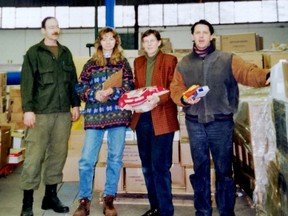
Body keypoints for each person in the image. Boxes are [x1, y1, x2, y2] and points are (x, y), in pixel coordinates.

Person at [170, 19, 270, 216]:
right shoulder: (184, 63)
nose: (201, 36)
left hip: (221, 123)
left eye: (205, 32)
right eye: (197, 32)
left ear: (211, 36)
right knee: (200, 171)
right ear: (192, 36)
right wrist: (183, 98)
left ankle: (226, 212)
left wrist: (267, 76)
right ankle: (203, 211)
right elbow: (176, 89)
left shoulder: (227, 59)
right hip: (195, 124)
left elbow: (248, 73)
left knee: (224, 171)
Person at [20, 16, 80, 216]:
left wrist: (75, 105)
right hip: (40, 114)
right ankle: (27, 204)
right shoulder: (34, 53)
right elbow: (27, 83)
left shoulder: (65, 52)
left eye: (57, 26)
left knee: (58, 155)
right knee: (34, 158)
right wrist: (28, 109)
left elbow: (72, 82)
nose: (55, 29)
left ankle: (50, 197)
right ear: (43, 31)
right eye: (51, 27)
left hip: (63, 114)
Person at [72, 27, 134, 216]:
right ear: (99, 42)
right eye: (104, 39)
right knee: (86, 161)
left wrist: (113, 92)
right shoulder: (90, 64)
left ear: (116, 42)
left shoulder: (123, 63)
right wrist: (94, 94)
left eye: (111, 39)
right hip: (95, 116)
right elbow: (80, 86)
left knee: (114, 159)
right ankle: (84, 201)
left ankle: (108, 198)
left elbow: (130, 85)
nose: (108, 42)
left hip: (117, 116)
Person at [129, 29, 179, 216]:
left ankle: (166, 211)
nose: (149, 44)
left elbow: (173, 87)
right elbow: (136, 88)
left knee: (160, 167)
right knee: (147, 166)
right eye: (146, 41)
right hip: (142, 118)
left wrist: (158, 99)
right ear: (142, 45)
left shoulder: (169, 60)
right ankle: (155, 207)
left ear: (159, 42)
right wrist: (131, 101)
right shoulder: (138, 62)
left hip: (162, 117)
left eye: (152, 41)